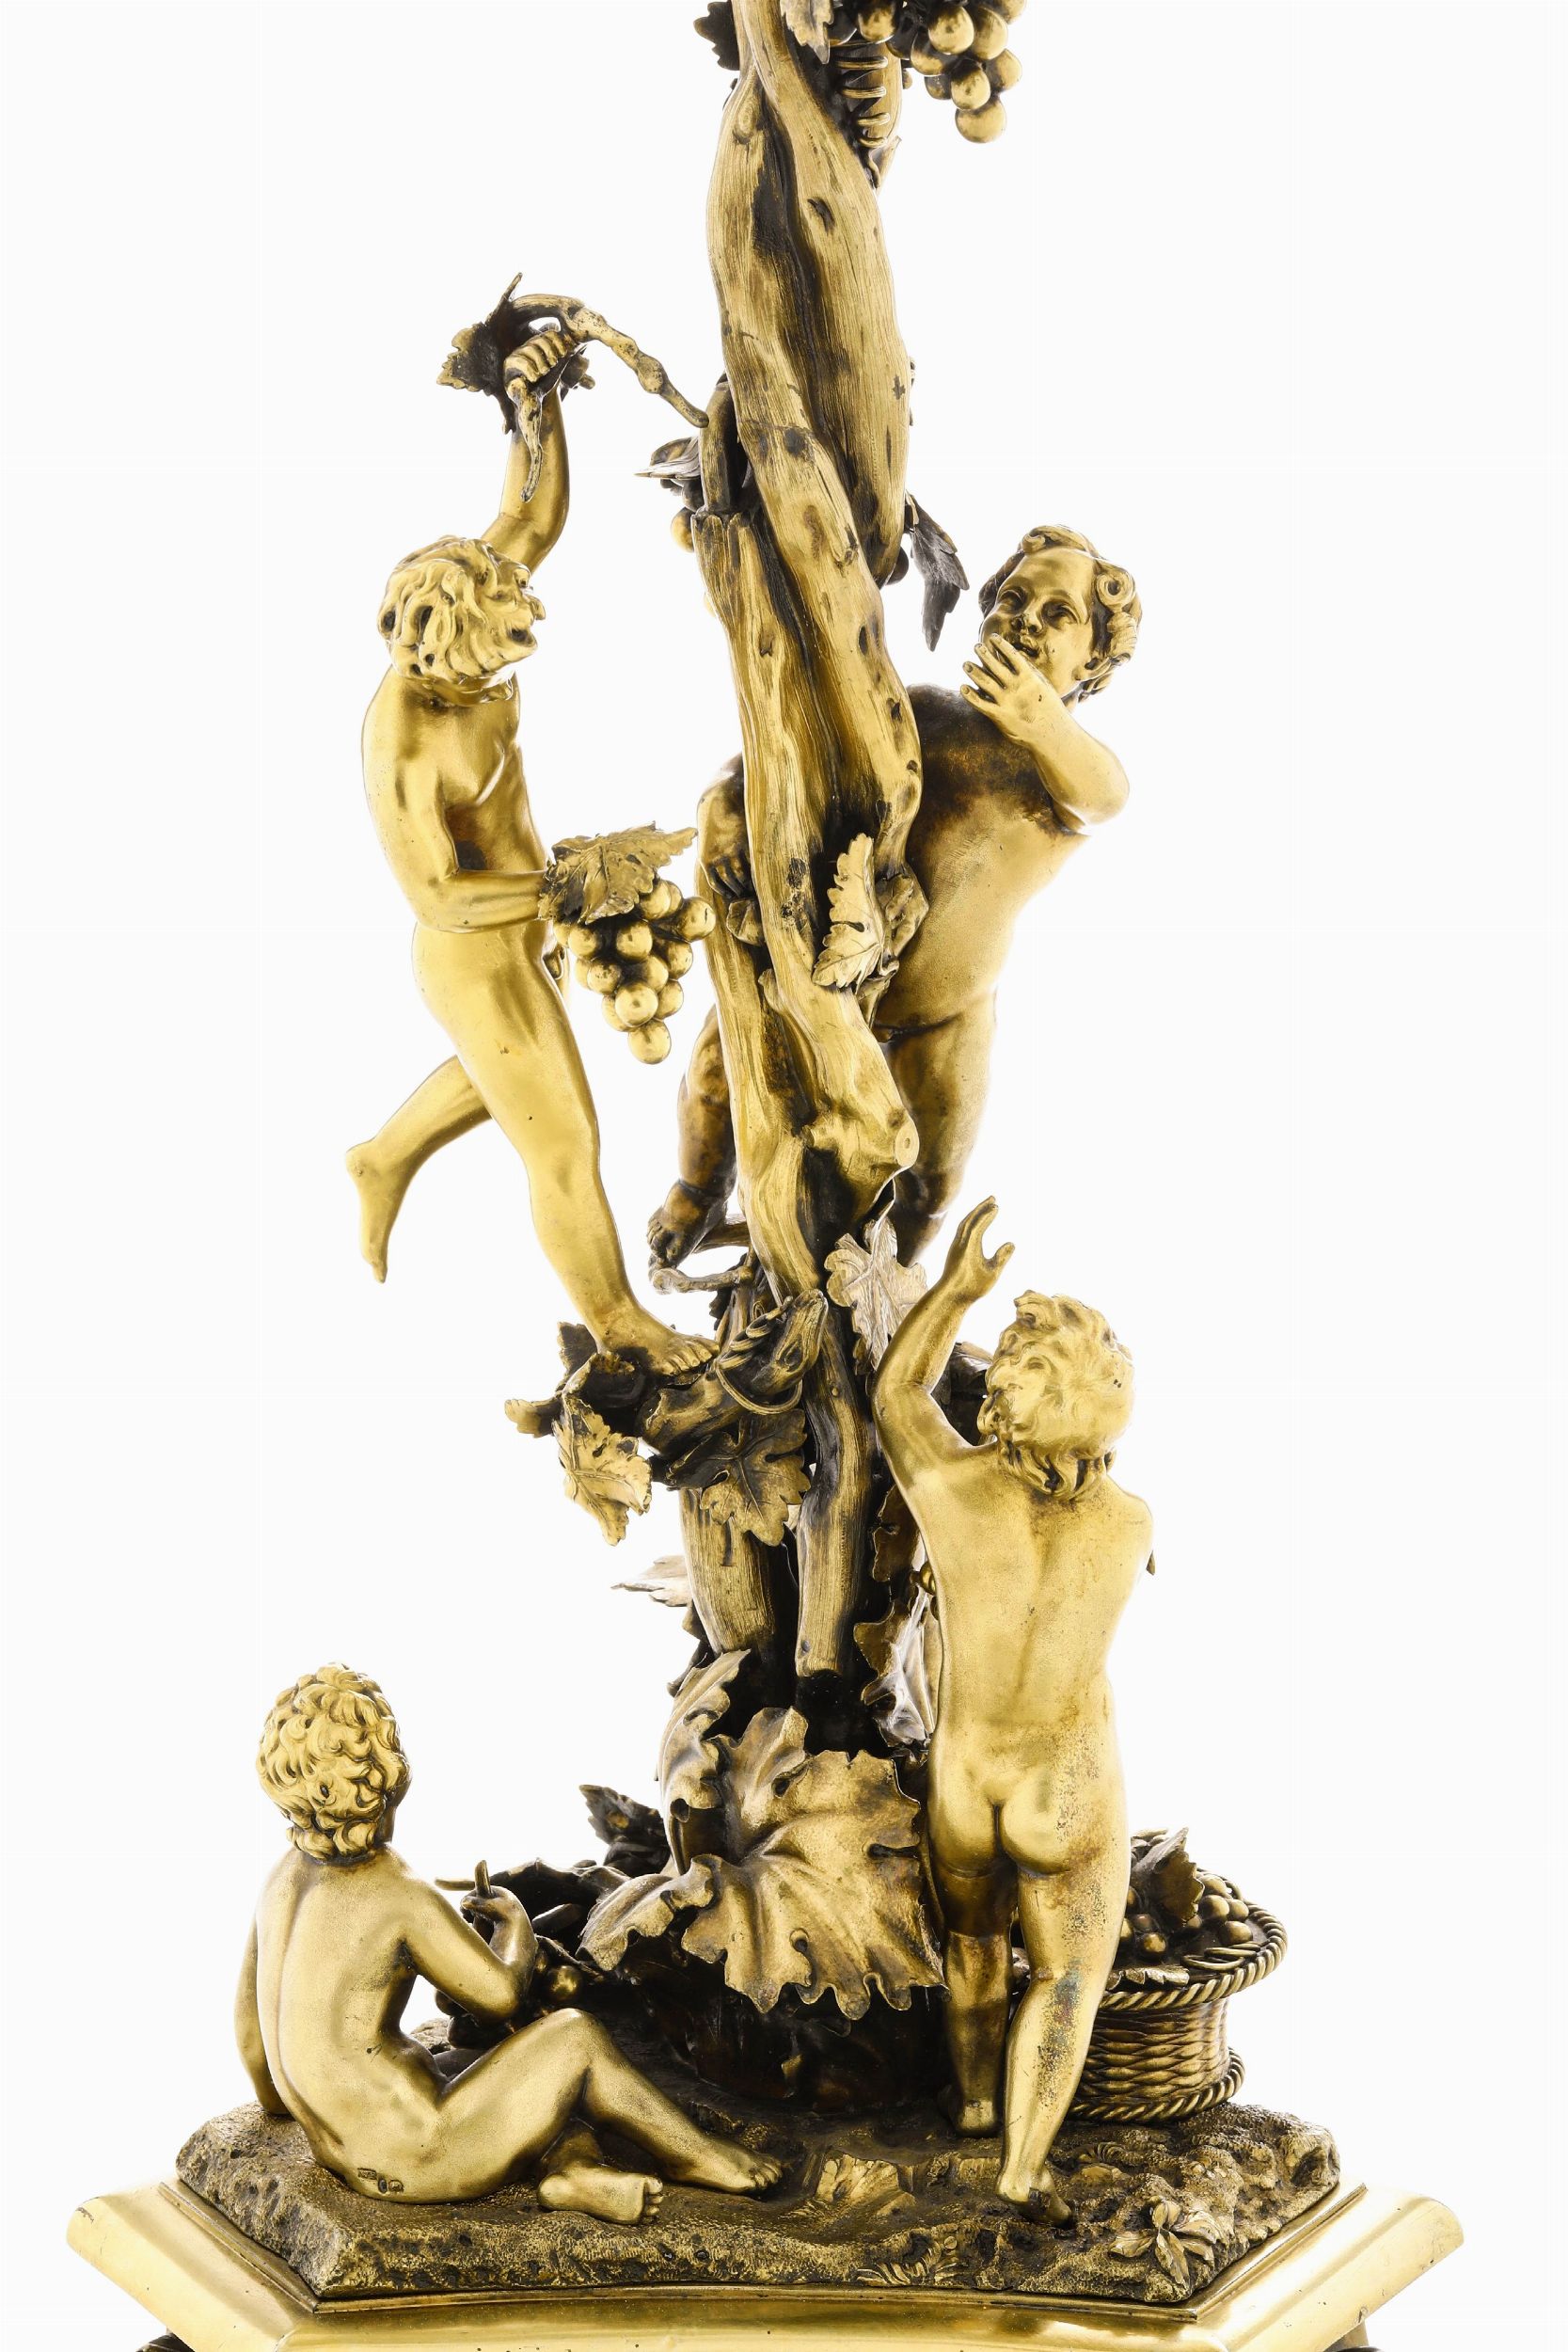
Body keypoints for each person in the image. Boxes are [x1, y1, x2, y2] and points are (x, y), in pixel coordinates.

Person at [347, 526, 1139, 1278]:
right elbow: (792, 753)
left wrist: (1041, 722)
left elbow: (1107, 795)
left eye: (1058, 616)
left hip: (944, 1011)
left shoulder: (1063, 776)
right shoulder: (926, 712)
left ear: (1095, 662)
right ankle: (698, 1193)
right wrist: (726, 805)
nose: (1025, 622)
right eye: (1012, 601)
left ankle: (886, 1281)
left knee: (931, 1170)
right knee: (714, 1079)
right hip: (808, 967)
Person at [347, 330, 709, 1373]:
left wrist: (535, 398)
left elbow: (532, 514)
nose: (527, 621)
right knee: (563, 1141)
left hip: (529, 924)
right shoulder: (405, 745)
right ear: (450, 646)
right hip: (474, 949)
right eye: (506, 633)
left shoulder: (471, 583)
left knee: (510, 1078)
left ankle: (381, 1155)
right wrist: (567, 885)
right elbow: (438, 896)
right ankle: (621, 1324)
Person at [236, 1663, 783, 2215]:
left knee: (510, 2070)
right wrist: (514, 1926)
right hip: (419, 2156)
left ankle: (575, 2173)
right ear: (387, 1775)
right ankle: (695, 2155)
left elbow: (253, 2040)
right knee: (573, 2039)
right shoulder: (396, 1892)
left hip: (338, 2148)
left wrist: (300, 2103)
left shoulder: (280, 1882)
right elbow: (498, 1997)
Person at [872, 1202, 1152, 2218]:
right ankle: (1023, 2165)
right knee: (1067, 1978)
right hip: (1061, 1784)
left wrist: (954, 1292)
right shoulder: (1129, 1524)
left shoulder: (951, 1490)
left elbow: (895, 1393)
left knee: (975, 1945)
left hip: (964, 1780)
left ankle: (976, 2104)